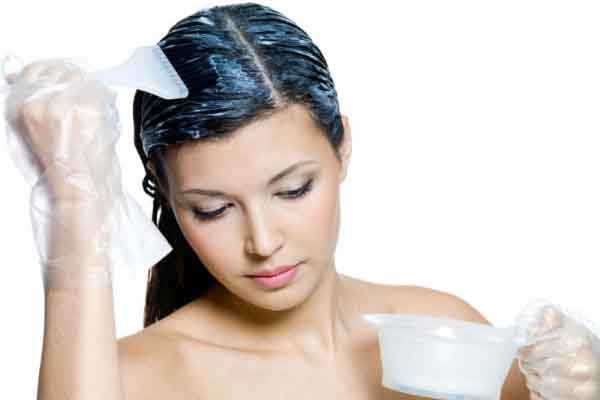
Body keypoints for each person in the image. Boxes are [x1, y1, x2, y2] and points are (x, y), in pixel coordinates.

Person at [119, 2, 532, 399]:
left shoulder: (444, 336)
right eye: (213, 210)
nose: (263, 243)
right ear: (164, 188)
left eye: (293, 189)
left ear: (342, 147)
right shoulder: (132, 378)